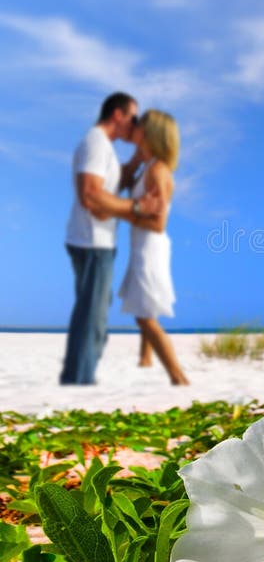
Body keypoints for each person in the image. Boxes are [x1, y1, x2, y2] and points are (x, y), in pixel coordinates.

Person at [60, 93, 163, 386]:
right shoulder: (95, 143)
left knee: (95, 318)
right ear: (117, 115)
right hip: (92, 244)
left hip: (95, 243)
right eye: (133, 118)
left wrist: (136, 161)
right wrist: (138, 208)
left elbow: (114, 184)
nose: (135, 124)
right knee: (91, 322)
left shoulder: (102, 147)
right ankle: (78, 384)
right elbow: (91, 195)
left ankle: (80, 379)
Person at [118, 109, 190, 386]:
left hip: (150, 245)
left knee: (145, 315)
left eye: (139, 126)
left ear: (150, 134)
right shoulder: (147, 167)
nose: (133, 128)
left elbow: (158, 222)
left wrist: (121, 212)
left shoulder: (158, 171)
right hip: (142, 245)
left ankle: (178, 377)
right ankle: (145, 360)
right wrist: (136, 159)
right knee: (143, 304)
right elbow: (124, 183)